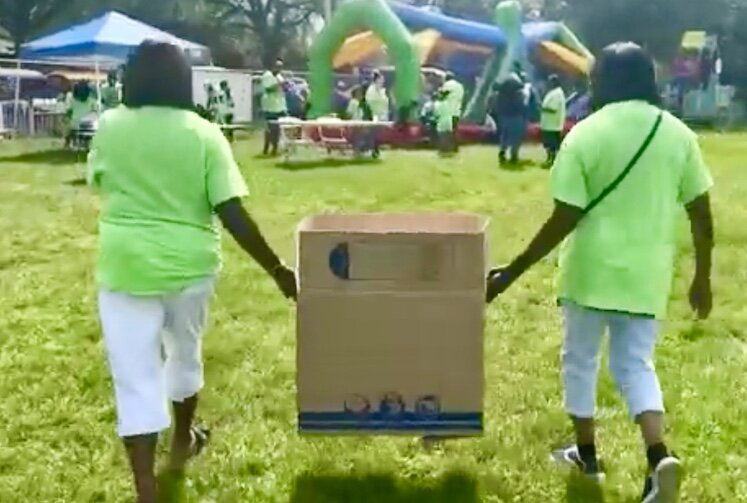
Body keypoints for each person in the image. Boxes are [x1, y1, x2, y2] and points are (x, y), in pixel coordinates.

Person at [486, 42, 714, 502]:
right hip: (646, 274)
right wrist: (702, 277)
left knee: (581, 362)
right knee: (635, 365)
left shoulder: (586, 134)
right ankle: (657, 456)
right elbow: (702, 215)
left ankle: (586, 457)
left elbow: (564, 217)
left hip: (590, 272)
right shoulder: (678, 135)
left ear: (603, 80)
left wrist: (512, 271)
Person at [86, 41, 297, 503]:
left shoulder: (109, 126)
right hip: (190, 267)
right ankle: (182, 443)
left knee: (135, 377)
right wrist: (277, 269)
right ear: (184, 80)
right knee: (184, 354)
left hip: (125, 266)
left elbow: (99, 179)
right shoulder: (204, 133)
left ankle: (147, 490)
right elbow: (231, 211)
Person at [496, 72, 527, 164]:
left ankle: (502, 152)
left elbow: (497, 105)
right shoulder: (519, 94)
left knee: (504, 136)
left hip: (504, 116)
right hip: (516, 117)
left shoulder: (501, 93)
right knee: (515, 137)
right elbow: (522, 106)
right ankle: (514, 155)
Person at [261, 59, 288, 156]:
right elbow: (268, 89)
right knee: (270, 129)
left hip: (280, 106)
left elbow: (284, 89)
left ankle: (276, 148)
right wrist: (279, 84)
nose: (279, 69)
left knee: (279, 129)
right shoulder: (267, 75)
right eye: (277, 66)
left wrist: (285, 86)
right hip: (270, 107)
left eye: (281, 67)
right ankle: (266, 148)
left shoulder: (280, 76)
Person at [540, 75, 567, 167]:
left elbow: (553, 109)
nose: (548, 84)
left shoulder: (557, 94)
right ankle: (550, 160)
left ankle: (551, 161)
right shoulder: (554, 92)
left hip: (552, 124)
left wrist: (542, 108)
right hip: (550, 124)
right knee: (549, 144)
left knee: (551, 145)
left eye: (550, 82)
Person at [66, 80, 98, 148]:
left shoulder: (72, 99)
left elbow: (68, 111)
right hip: (88, 125)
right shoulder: (92, 100)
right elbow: (95, 112)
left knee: (72, 130)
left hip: (75, 124)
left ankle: (70, 143)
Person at [365, 70, 389, 158]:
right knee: (374, 134)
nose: (382, 81)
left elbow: (385, 103)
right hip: (373, 115)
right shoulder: (371, 90)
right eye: (381, 79)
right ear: (376, 80)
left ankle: (375, 150)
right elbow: (370, 102)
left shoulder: (382, 91)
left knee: (377, 134)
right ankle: (373, 150)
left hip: (381, 115)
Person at [440, 72, 465, 152]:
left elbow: (443, 94)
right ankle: (455, 147)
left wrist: (439, 92)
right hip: (457, 110)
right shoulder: (460, 86)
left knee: (446, 130)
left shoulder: (448, 84)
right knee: (454, 129)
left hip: (448, 110)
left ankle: (446, 147)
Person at [433, 89, 454, 156]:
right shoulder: (448, 103)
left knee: (442, 137)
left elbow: (436, 114)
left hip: (441, 122)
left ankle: (442, 151)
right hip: (448, 121)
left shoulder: (437, 104)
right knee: (448, 137)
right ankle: (448, 150)